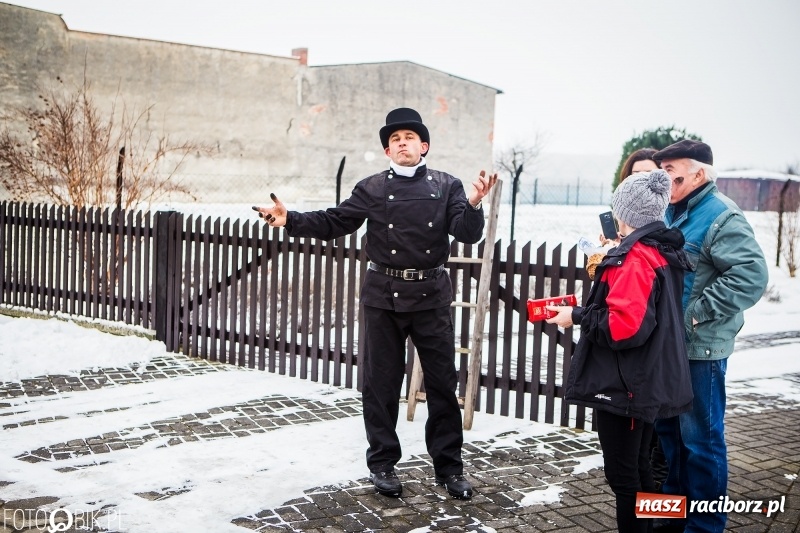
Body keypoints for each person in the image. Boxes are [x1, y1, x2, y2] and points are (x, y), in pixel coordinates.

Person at [253, 107, 497, 500]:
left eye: (409, 138)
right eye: (395, 140)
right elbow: (336, 221)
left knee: (441, 384)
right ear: (388, 151)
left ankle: (449, 468)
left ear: (424, 146)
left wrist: (472, 203)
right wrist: (291, 219)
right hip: (383, 296)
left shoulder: (448, 186)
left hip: (432, 297)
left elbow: (467, 234)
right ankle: (382, 464)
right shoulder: (371, 188)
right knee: (380, 385)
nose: (402, 144)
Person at [546, 169, 694, 533]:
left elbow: (624, 327)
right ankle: (669, 526)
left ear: (622, 213)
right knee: (642, 467)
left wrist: (577, 314)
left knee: (625, 479)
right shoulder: (660, 249)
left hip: (626, 385)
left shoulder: (636, 258)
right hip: (647, 378)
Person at [652, 139, 769, 533]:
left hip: (699, 350)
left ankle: (704, 527)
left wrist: (694, 316)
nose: (662, 177)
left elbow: (751, 276)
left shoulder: (722, 216)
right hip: (666, 349)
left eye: (670, 170)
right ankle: (670, 521)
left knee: (701, 444)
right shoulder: (670, 212)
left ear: (698, 173)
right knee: (671, 441)